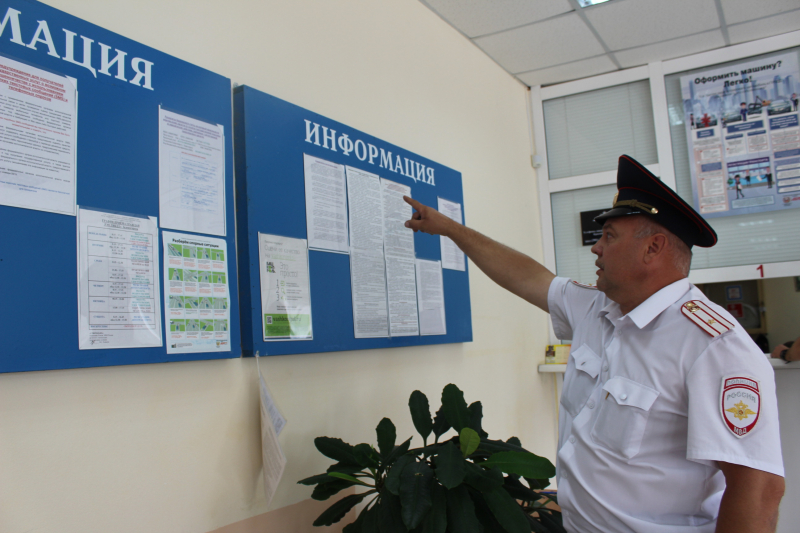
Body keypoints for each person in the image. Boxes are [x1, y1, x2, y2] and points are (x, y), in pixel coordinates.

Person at [404, 154, 784, 533]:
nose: (596, 248)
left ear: (653, 248)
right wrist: (450, 229)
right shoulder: (596, 306)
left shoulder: (713, 346)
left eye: (609, 236)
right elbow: (526, 277)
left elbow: (758, 487)